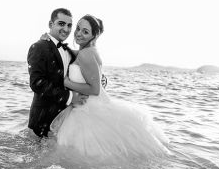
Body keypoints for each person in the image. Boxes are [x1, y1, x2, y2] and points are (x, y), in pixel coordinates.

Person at [50, 14, 169, 157]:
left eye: (85, 31)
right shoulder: (88, 51)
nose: (78, 33)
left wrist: (68, 82)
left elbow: (95, 89)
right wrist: (49, 39)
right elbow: (72, 55)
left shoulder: (85, 54)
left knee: (80, 154)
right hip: (88, 105)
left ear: (94, 36)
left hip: (87, 110)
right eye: (78, 28)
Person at [27, 8, 87, 137]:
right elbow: (37, 83)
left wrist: (99, 79)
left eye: (69, 25)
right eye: (61, 24)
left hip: (64, 120)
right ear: (50, 24)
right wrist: (71, 97)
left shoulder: (69, 51)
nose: (66, 29)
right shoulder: (38, 47)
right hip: (42, 120)